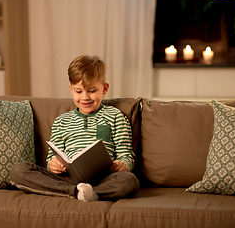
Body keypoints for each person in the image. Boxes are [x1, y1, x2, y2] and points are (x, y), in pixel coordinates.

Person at [10, 55, 139, 202]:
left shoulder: (116, 116)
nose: (85, 97)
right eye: (79, 91)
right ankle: (77, 192)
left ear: (104, 88)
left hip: (105, 179)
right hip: (68, 179)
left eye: (92, 91)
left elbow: (127, 155)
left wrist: (122, 165)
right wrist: (53, 164)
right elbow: (51, 160)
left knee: (129, 181)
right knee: (18, 171)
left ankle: (92, 193)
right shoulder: (61, 122)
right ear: (71, 89)